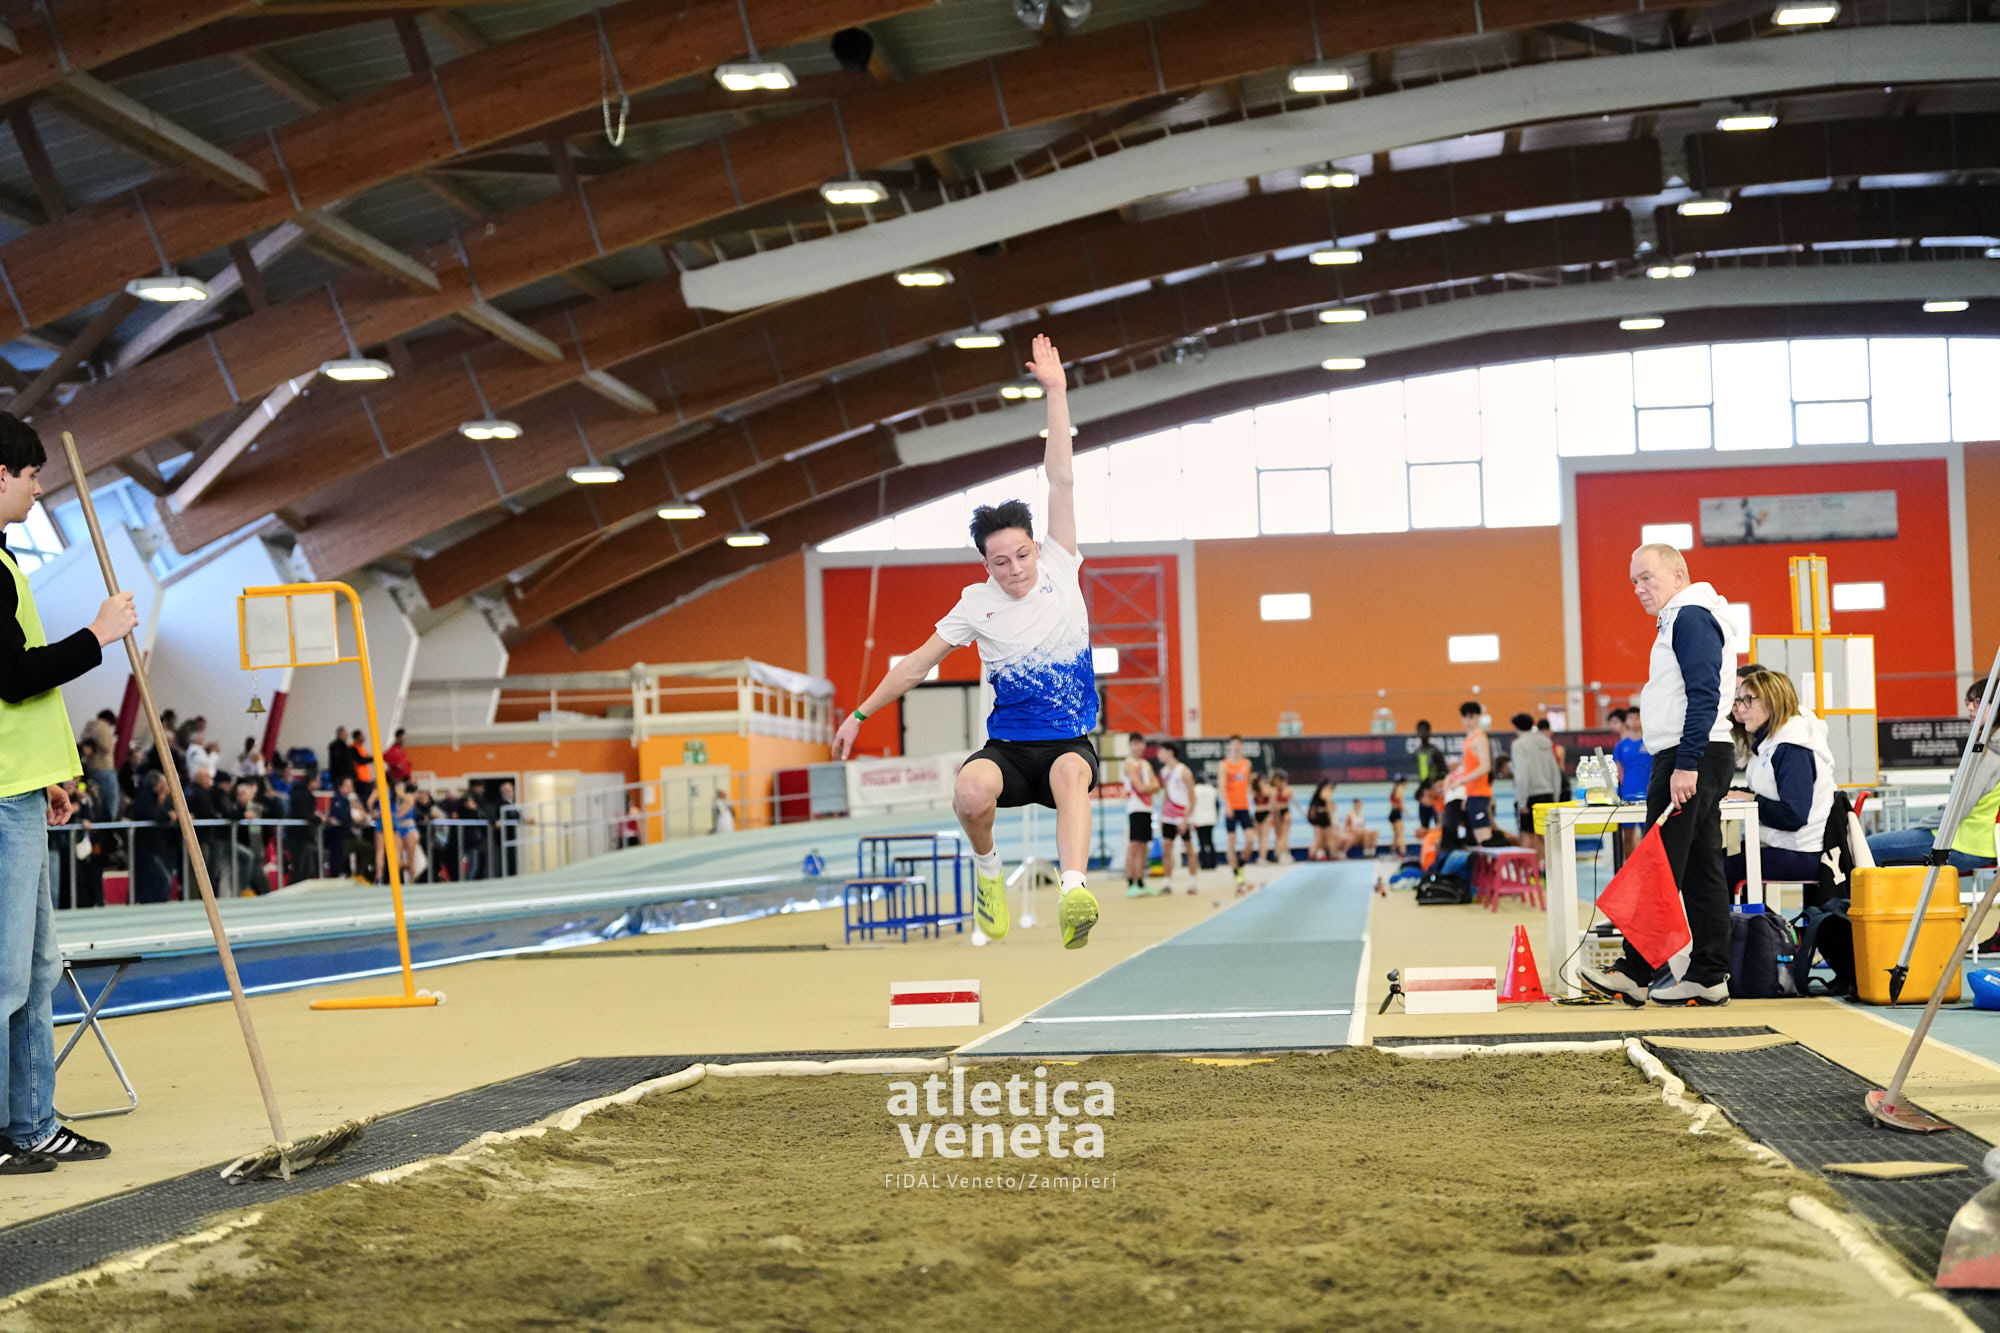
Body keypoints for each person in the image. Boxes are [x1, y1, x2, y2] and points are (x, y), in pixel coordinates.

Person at [831, 335, 1101, 948]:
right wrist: (859, 714)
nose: (1015, 570)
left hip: (1067, 742)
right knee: (969, 790)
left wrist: (1057, 393)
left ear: (1036, 547)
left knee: (1070, 776)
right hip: (1009, 749)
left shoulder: (1061, 561)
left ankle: (1074, 893)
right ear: (985, 564)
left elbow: (1061, 479)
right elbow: (914, 666)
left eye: (1022, 555)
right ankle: (987, 871)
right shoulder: (974, 604)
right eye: (1000, 562)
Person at [0, 411, 133, 1171]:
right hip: (0, 797)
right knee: (4, 976)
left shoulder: (5, 560)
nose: (38, 489)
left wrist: (53, 770)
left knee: (36, 969)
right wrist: (97, 636)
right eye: (30, 476)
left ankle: (32, 1122)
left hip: (20, 788)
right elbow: (13, 676)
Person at [1581, 543, 1738, 1007]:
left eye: (1646, 577)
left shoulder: (1690, 616)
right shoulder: (1682, 618)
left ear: (1678, 575)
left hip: (1691, 754)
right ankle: (1709, 973)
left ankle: (1633, 971)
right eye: (1634, 581)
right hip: (1700, 751)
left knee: (1658, 865)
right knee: (1703, 868)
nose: (1638, 589)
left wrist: (1687, 762)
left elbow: (1703, 692)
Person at [1868, 676, 2000, 880]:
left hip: (1959, 844)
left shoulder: (1986, 754)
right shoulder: (1990, 749)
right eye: (1969, 701)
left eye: (1978, 701)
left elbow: (1960, 808)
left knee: (1866, 847)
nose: (1970, 707)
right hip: (1981, 845)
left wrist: (1921, 824)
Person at [1722, 666, 1835, 894]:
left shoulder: (1793, 747)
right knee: (1713, 860)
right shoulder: (1773, 743)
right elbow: (1769, 792)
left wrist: (1751, 799)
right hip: (1785, 845)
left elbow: (1793, 815)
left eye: (1748, 700)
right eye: (1738, 700)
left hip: (1803, 853)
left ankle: (1741, 918)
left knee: (1715, 869)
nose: (1740, 709)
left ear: (1772, 701)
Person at [1508, 713, 1562, 860]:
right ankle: (1545, 868)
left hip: (1530, 795)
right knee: (1543, 835)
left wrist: (1522, 801)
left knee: (1527, 835)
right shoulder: (1545, 742)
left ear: (1516, 727)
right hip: (1548, 793)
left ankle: (1528, 870)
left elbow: (1522, 774)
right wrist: (1555, 797)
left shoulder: (1519, 744)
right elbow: (1555, 771)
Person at [1444, 700, 1494, 847]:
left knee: (1484, 840)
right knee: (1478, 840)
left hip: (1480, 794)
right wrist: (1466, 793)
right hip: (1472, 794)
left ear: (1478, 717)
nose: (1468, 721)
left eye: (1471, 717)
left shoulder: (1480, 739)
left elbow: (1485, 767)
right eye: (1465, 717)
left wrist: (1462, 781)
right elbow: (1470, 768)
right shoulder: (1469, 739)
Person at [1120, 732, 1159, 898]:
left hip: (1147, 808)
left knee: (1143, 846)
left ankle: (1141, 882)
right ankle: (1131, 883)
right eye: (1134, 744)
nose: (1138, 747)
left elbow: (1156, 785)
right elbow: (1140, 787)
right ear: (1130, 746)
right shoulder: (1129, 763)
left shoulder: (1146, 764)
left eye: (1140, 743)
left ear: (1144, 745)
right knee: (1134, 845)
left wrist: (1148, 787)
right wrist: (1150, 787)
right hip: (1135, 807)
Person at [1155, 741, 1197, 894]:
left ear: (1170, 752)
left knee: (1189, 849)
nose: (1158, 754)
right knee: (1167, 849)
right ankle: (1167, 883)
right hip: (1168, 816)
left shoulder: (1184, 771)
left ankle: (1193, 883)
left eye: (1161, 751)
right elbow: (1167, 794)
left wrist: (1186, 818)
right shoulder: (1164, 772)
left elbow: (1192, 797)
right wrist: (1162, 815)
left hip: (1182, 816)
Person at [1613, 705, 1652, 856]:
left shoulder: (1650, 742)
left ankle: (1647, 866)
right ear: (1626, 721)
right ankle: (1630, 866)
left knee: (1648, 836)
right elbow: (1617, 772)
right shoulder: (1621, 746)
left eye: (1637, 718)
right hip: (1627, 795)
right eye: (1631, 718)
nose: (1634, 721)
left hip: (1648, 794)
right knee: (1627, 837)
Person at [1219, 735, 1254, 888]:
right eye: (1233, 744)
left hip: (1244, 807)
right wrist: (1227, 805)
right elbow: (1221, 786)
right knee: (1231, 842)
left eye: (1238, 744)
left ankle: (1240, 865)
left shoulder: (1247, 763)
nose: (1236, 747)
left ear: (1241, 746)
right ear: (1230, 746)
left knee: (1250, 839)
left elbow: (1247, 783)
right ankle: (1236, 874)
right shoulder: (1224, 765)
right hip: (1231, 808)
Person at [81, 709, 119, 819]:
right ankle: (110, 823)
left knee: (96, 798)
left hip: (91, 767)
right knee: (111, 798)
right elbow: (106, 747)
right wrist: (113, 741)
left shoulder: (89, 726)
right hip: (105, 768)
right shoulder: (103, 727)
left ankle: (96, 820)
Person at [1411, 721, 1447, 831]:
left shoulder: (1435, 751)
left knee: (1439, 824)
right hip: (1424, 793)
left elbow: (1444, 771)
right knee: (1423, 825)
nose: (1422, 733)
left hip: (1434, 794)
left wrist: (1435, 786)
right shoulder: (1418, 751)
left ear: (1429, 732)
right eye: (1420, 731)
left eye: (1425, 731)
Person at [1190, 775, 1218, 873]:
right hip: (1211, 818)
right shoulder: (1212, 789)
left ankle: (1204, 863)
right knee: (1210, 841)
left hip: (1199, 819)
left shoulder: (1194, 789)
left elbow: (1192, 804)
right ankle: (1213, 863)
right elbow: (1216, 804)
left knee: (1201, 842)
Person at [1268, 769, 1294, 864]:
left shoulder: (1286, 789)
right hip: (1277, 813)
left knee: (1283, 835)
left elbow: (1292, 800)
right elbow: (1272, 804)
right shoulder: (1274, 790)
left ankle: (1281, 852)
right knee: (1280, 835)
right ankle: (1281, 852)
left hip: (1284, 812)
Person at [1307, 781, 1337, 860]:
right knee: (1329, 837)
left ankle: (1312, 854)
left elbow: (1312, 810)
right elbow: (1328, 807)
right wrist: (1331, 818)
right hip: (1324, 816)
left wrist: (1312, 820)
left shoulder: (1317, 795)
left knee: (1318, 838)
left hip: (1318, 816)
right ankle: (1332, 854)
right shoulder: (1326, 792)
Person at [1387, 778, 1407, 856]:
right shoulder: (1400, 789)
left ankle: (1392, 849)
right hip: (1397, 814)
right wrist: (1406, 813)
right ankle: (1403, 851)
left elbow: (1394, 802)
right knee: (1400, 834)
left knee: (1396, 835)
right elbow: (1400, 803)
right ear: (1404, 783)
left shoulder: (1394, 789)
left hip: (1392, 813)